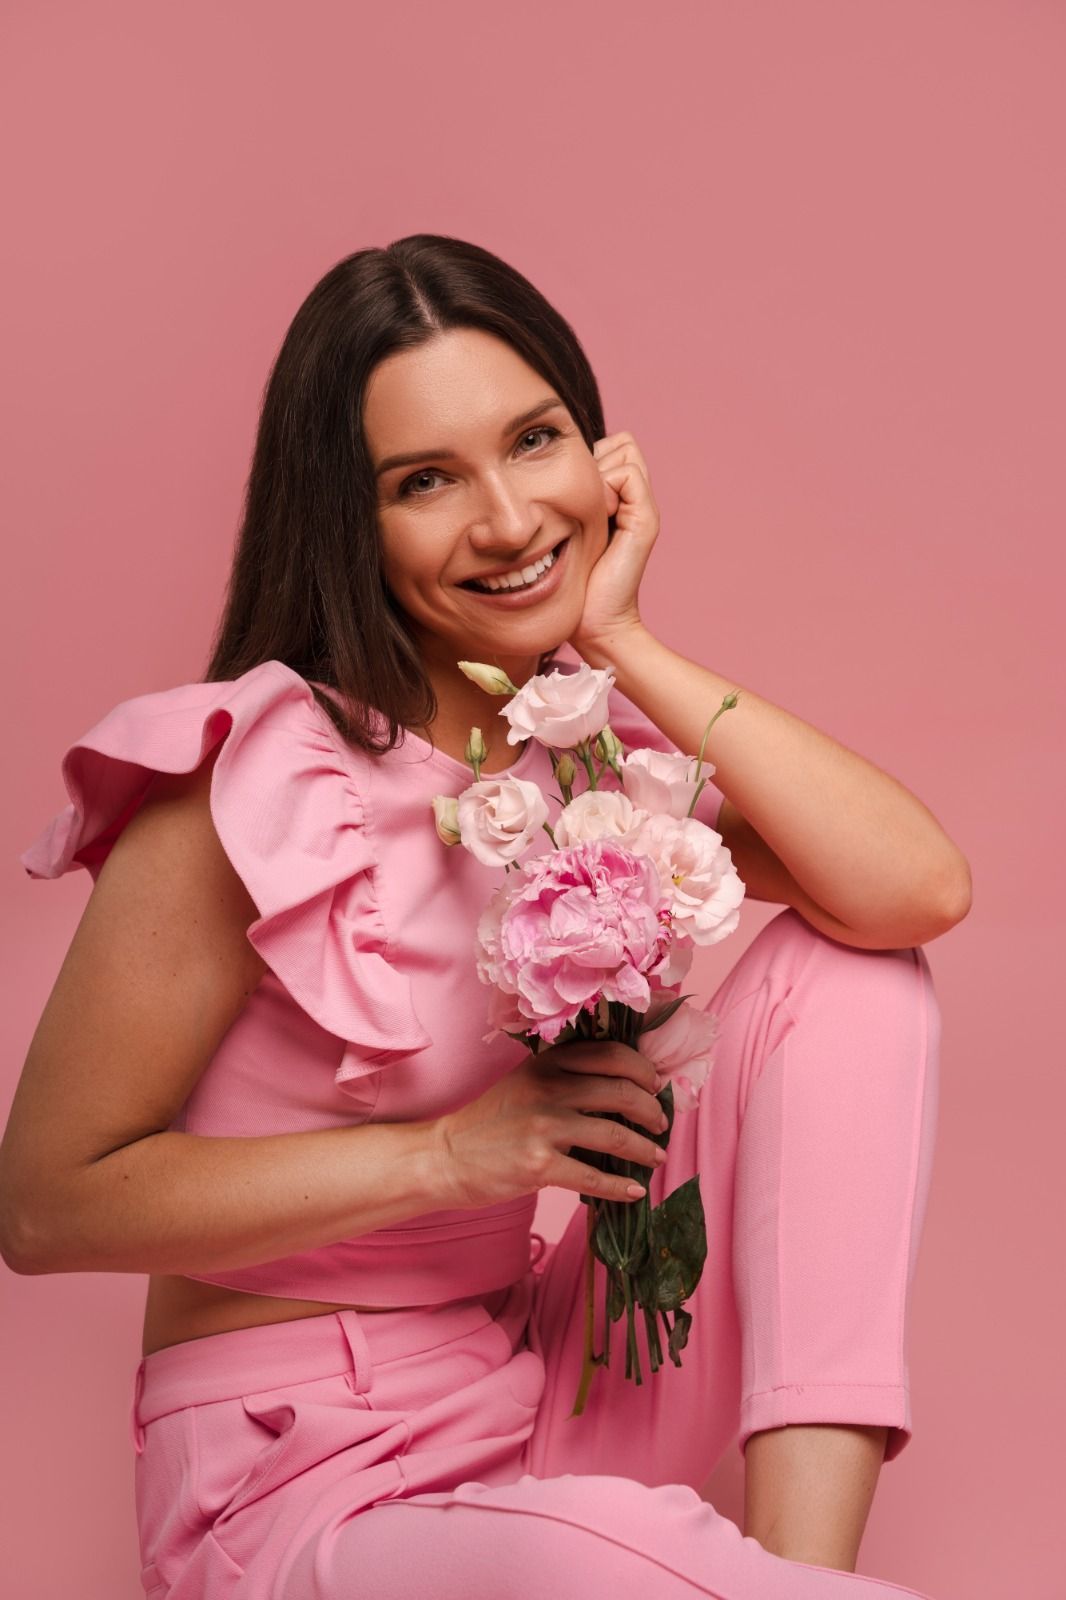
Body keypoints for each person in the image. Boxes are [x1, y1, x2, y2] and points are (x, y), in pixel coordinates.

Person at [0, 234, 969, 1599]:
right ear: (347, 518)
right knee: (607, 1567)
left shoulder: (584, 752)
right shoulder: (254, 786)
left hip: (543, 1382)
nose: (508, 520)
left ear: (600, 451)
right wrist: (454, 1156)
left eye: (535, 441)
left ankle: (802, 1578)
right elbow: (44, 1209)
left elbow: (913, 891)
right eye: (425, 482)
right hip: (304, 1479)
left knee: (855, 972)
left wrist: (621, 640)